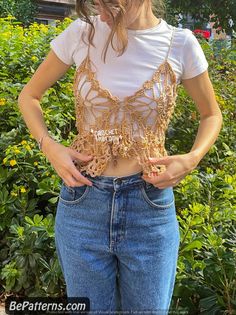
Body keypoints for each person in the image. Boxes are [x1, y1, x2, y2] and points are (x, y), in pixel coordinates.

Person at [18, 0, 223, 314]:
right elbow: (29, 96)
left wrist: (192, 158)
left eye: (107, 4)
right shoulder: (82, 34)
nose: (99, 13)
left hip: (149, 208)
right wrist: (50, 146)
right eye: (94, 4)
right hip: (82, 203)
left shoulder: (179, 44)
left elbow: (211, 114)